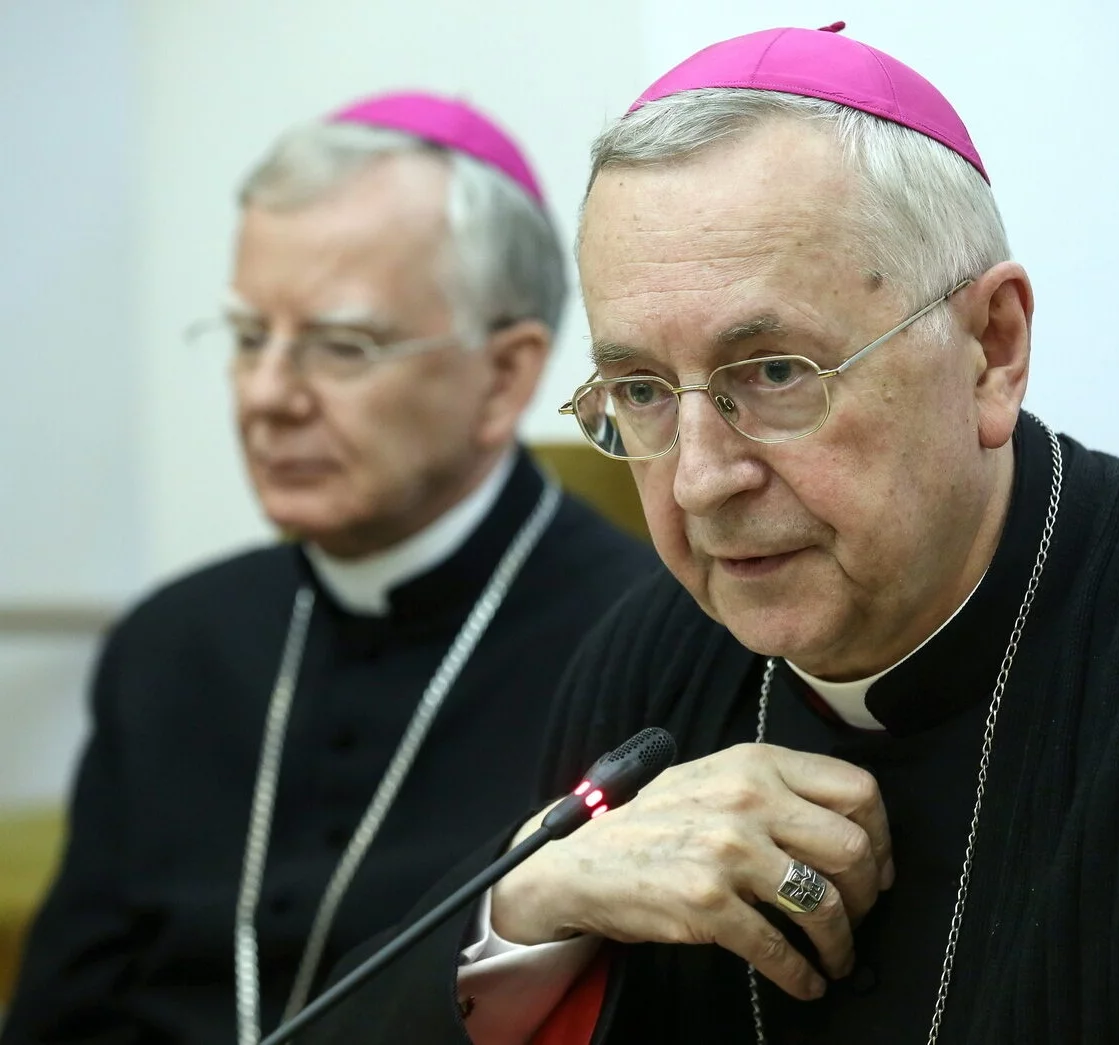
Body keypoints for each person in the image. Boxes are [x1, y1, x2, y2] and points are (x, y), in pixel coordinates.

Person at [298, 25, 1119, 1045]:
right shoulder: (645, 665)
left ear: (991, 350)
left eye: (773, 373)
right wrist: (527, 907)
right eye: (638, 387)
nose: (699, 479)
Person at [1, 92, 656, 1045]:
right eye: (248, 337)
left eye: (339, 346)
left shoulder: (647, 647)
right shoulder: (170, 642)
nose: (267, 396)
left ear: (504, 375)